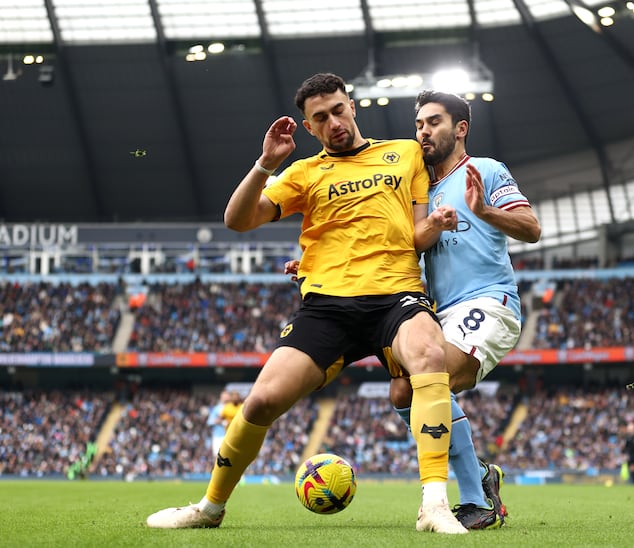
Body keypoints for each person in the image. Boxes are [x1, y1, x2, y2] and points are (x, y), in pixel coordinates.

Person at [145, 73, 467, 535]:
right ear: (309, 127)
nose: (333, 122)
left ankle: (434, 505)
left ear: (352, 107)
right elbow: (237, 221)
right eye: (321, 118)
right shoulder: (302, 173)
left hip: (396, 295)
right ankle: (209, 508)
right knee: (260, 403)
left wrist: (435, 223)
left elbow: (417, 233)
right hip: (327, 306)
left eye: (338, 110)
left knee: (430, 356)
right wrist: (264, 164)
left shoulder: (405, 153)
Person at [393, 90, 541, 529]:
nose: (424, 131)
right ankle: (479, 475)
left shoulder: (486, 170)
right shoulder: (419, 195)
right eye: (419, 124)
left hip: (489, 302)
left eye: (434, 122)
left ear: (460, 129)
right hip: (440, 313)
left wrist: (484, 210)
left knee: (430, 381)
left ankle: (478, 501)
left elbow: (531, 229)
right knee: (402, 393)